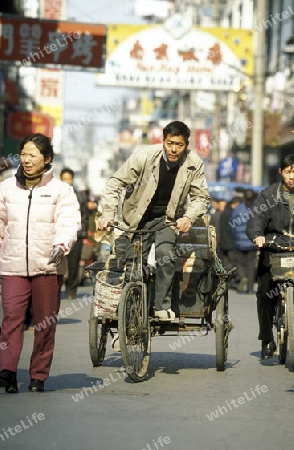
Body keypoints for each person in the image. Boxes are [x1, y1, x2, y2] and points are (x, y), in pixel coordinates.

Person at [97, 120, 210, 321]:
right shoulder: (144, 156)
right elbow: (115, 183)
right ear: (163, 141)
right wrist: (107, 214)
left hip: (167, 220)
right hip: (136, 219)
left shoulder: (194, 163)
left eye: (179, 144)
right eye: (170, 143)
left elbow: (201, 198)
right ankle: (127, 319)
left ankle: (161, 305)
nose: (174, 149)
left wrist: (188, 217)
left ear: (186, 145)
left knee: (165, 255)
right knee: (133, 266)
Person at [0, 134, 81, 393]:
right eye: (24, 153)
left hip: (47, 266)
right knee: (11, 318)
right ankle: (7, 370)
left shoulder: (62, 191)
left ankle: (38, 374)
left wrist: (61, 245)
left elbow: (68, 223)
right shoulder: (5, 188)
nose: (26, 159)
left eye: (33, 154)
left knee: (44, 323)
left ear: (47, 160)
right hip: (12, 265)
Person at [246, 155, 294, 359]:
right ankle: (267, 338)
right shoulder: (268, 196)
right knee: (265, 292)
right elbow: (257, 217)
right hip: (273, 248)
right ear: (281, 173)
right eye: (289, 171)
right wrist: (258, 236)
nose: (293, 176)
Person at [60, 168, 89, 299]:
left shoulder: (80, 196)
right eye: (64, 179)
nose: (66, 181)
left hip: (75, 236)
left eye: (69, 179)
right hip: (58, 235)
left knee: (73, 264)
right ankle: (56, 290)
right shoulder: (55, 194)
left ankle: (71, 290)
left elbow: (84, 216)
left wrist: (83, 234)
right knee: (56, 265)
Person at [230, 189, 258, 294]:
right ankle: (250, 288)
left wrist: (236, 237)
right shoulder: (257, 209)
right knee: (251, 265)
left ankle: (241, 277)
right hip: (252, 242)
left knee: (240, 263)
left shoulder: (237, 209)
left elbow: (232, 226)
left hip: (239, 243)